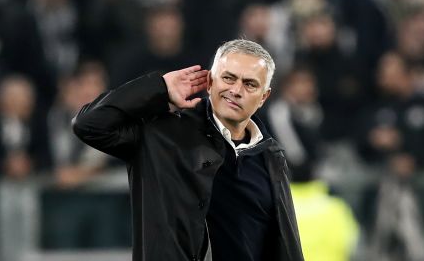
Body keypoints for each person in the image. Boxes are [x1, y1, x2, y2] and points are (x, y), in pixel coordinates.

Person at [72, 39, 304, 261]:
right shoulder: (162, 134)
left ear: (264, 97)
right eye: (228, 78)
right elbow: (89, 124)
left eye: (250, 84)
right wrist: (159, 88)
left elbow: (283, 245)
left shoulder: (271, 156)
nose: (236, 90)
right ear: (210, 81)